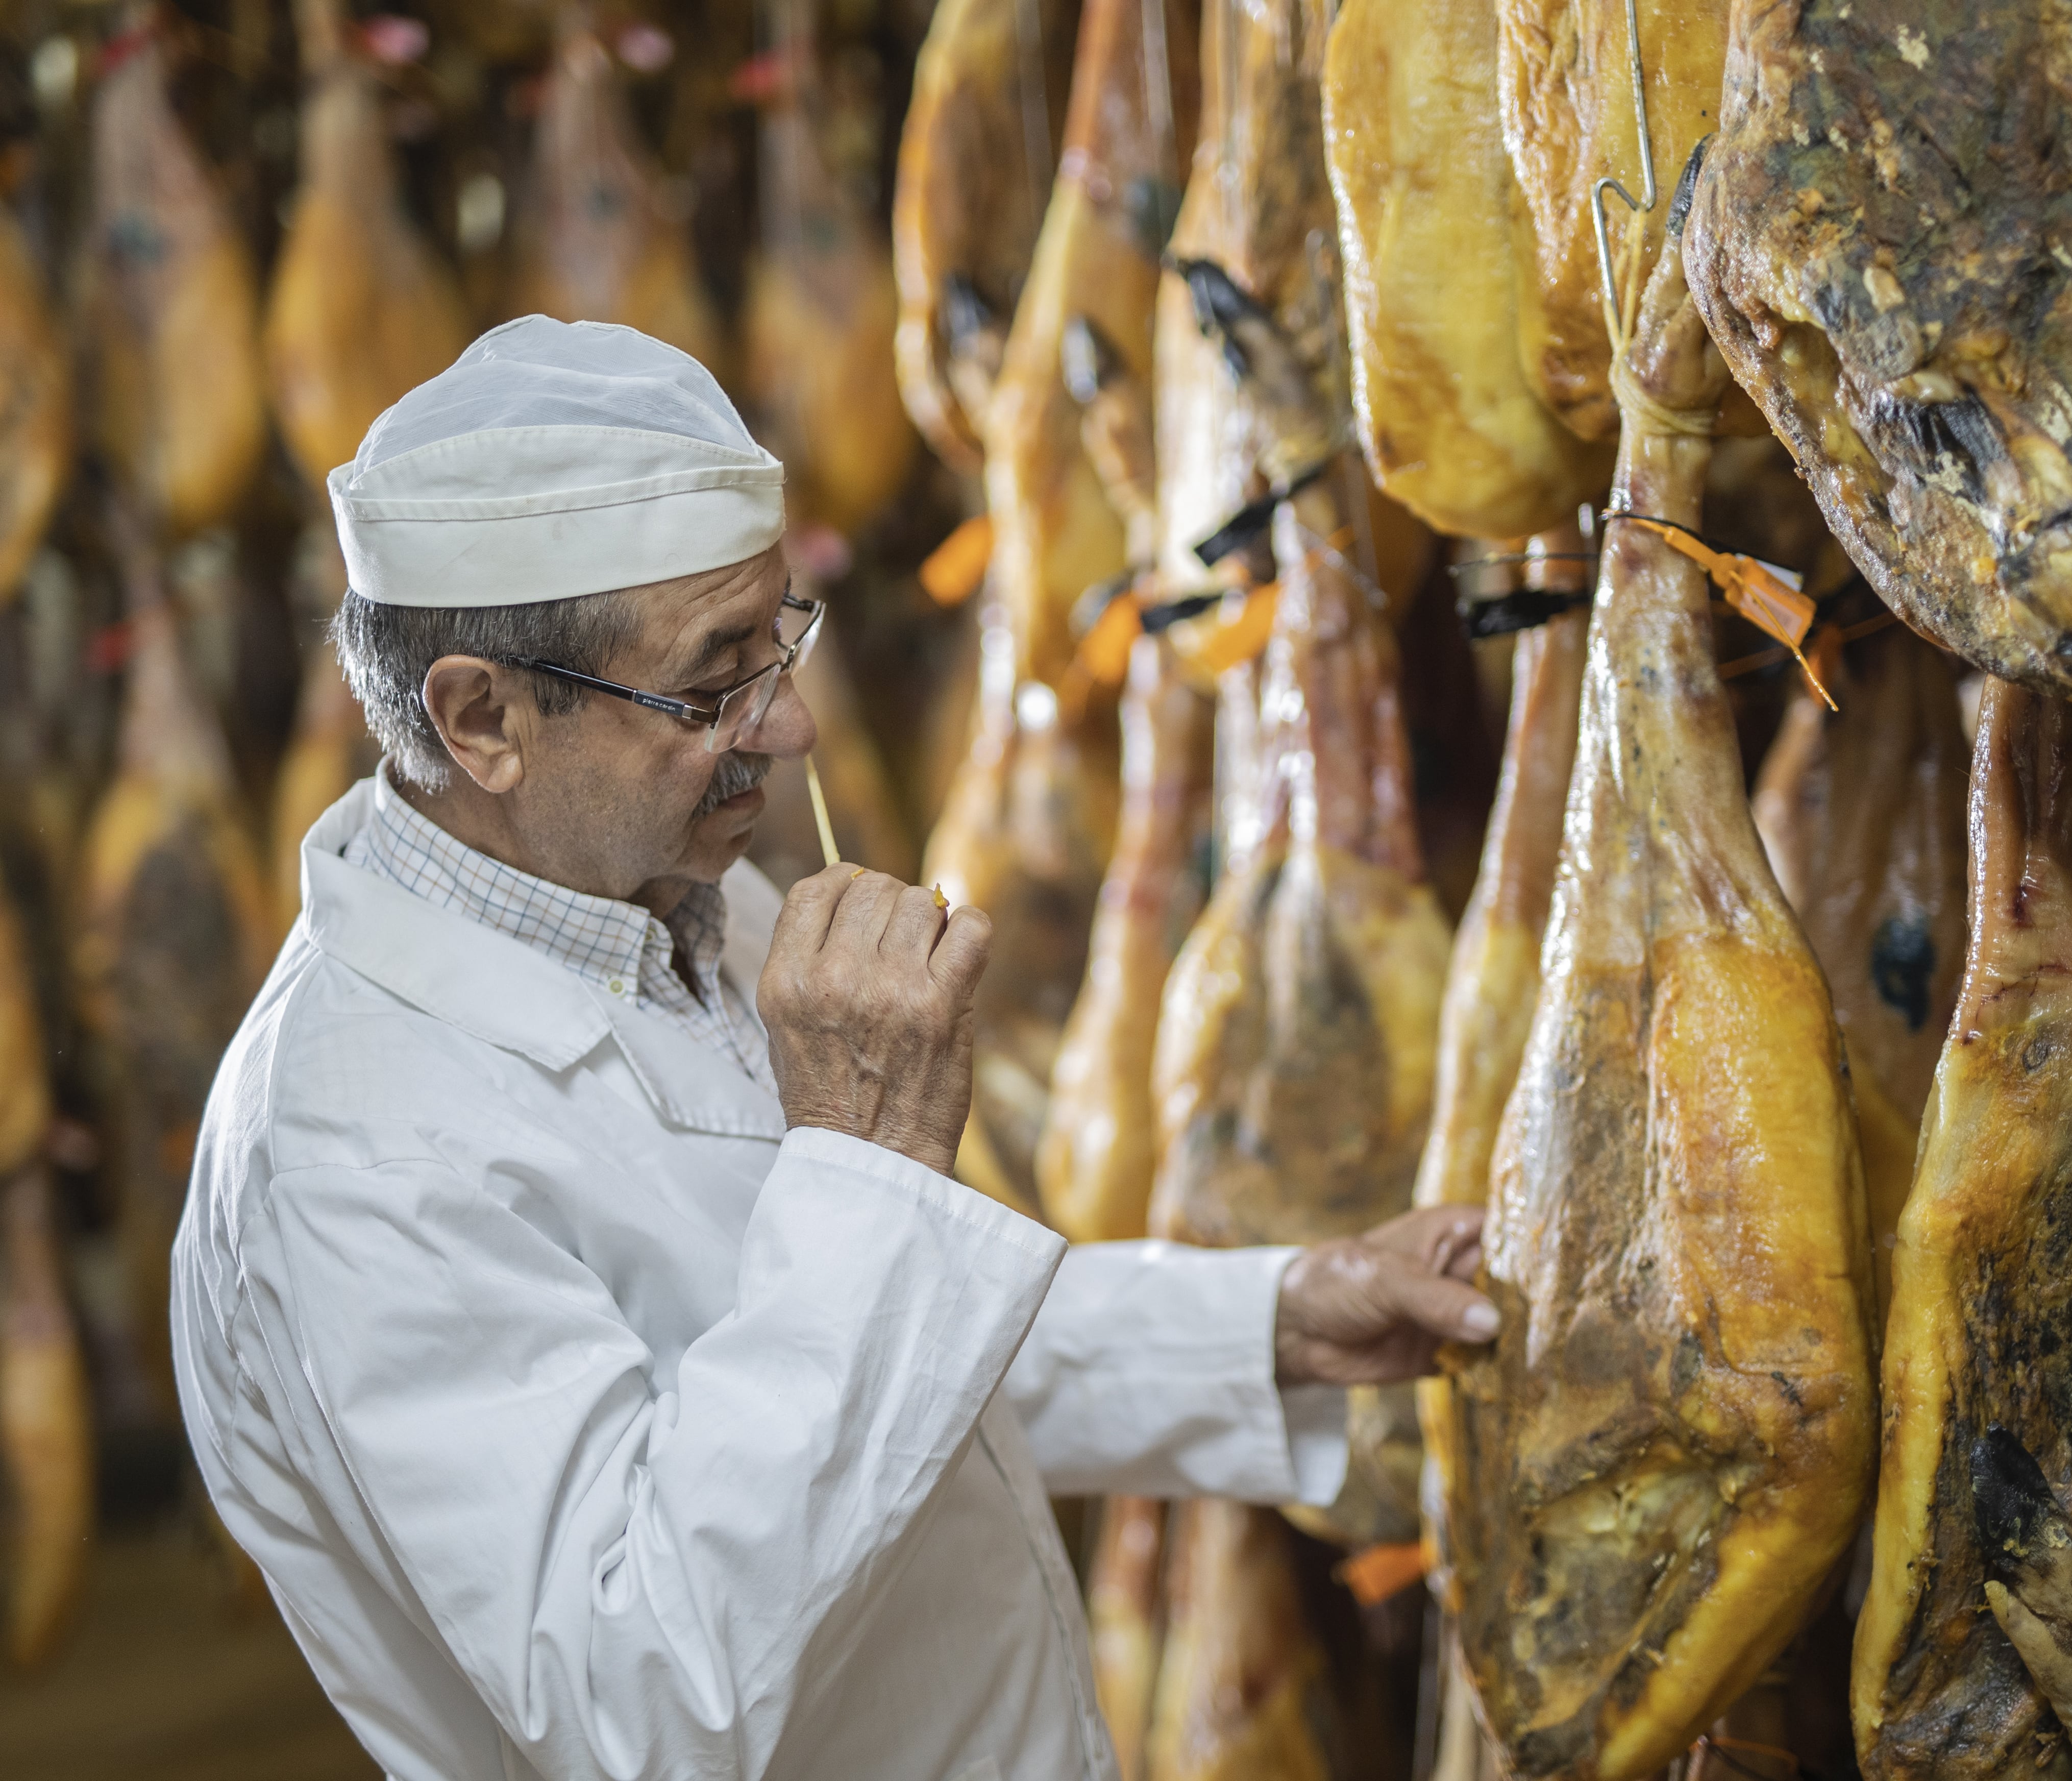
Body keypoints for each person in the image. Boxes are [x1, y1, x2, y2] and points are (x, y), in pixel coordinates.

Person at [169, 317, 1498, 1781]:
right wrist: (864, 1158)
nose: (790, 725)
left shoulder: (665, 898)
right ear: (482, 718)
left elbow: (878, 1365)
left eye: (779, 639)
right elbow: (645, 1691)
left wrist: (1273, 1319)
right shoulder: (359, 1146)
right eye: (712, 679)